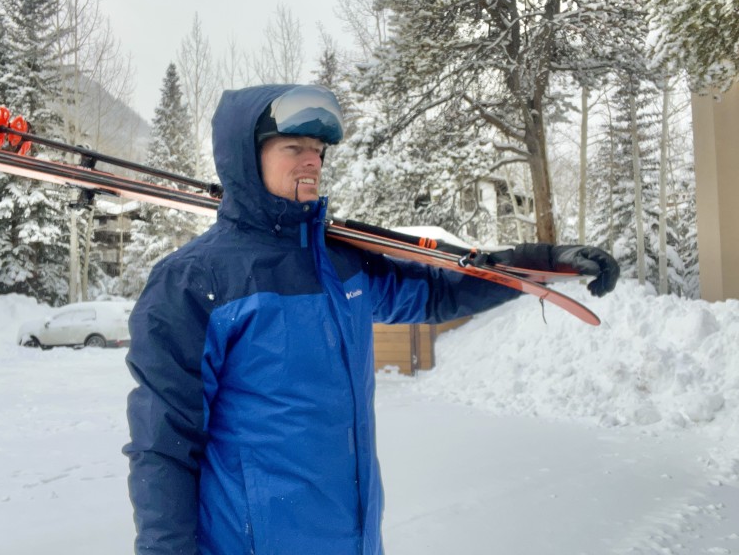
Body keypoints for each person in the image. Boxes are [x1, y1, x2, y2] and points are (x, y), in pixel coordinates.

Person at [123, 84, 619, 555]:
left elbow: (438, 291)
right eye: (293, 147)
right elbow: (162, 444)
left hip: (352, 536)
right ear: (246, 159)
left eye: (318, 149)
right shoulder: (194, 279)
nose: (313, 160)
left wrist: (546, 261)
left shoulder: (342, 263)